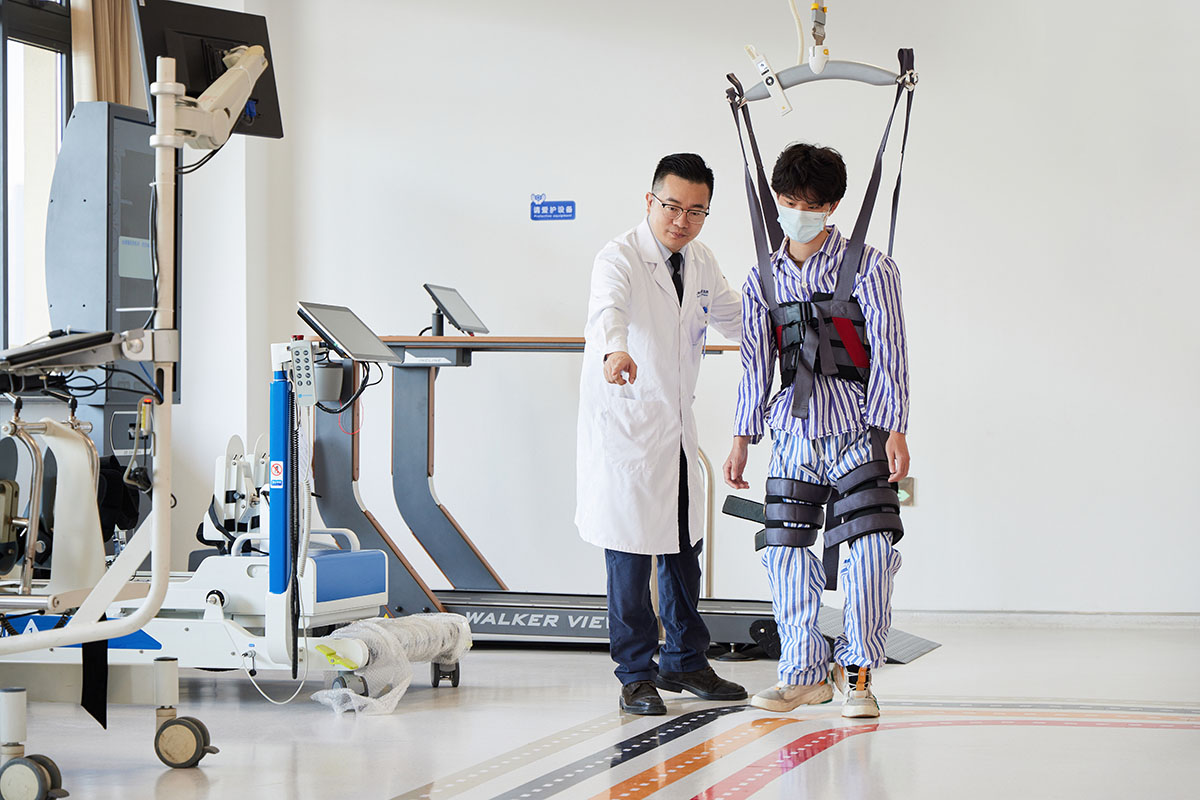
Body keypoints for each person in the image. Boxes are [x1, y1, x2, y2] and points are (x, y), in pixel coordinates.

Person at [724, 143, 910, 718]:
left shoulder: (871, 267)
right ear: (776, 200)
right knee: (784, 552)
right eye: (789, 201)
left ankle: (858, 678)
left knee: (871, 551)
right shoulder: (762, 277)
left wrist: (895, 429)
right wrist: (742, 436)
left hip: (857, 428)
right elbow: (755, 360)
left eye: (812, 204)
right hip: (792, 432)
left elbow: (890, 352)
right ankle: (803, 675)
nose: (798, 213)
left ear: (832, 206)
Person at [576, 153, 746, 715]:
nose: (682, 220)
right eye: (672, 206)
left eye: (696, 211)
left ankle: (685, 662)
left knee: (683, 550)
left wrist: (791, 326)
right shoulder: (619, 256)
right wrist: (615, 350)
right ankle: (635, 674)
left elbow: (736, 317)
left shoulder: (701, 260)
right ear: (650, 201)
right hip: (628, 429)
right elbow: (608, 311)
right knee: (630, 556)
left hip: (674, 430)